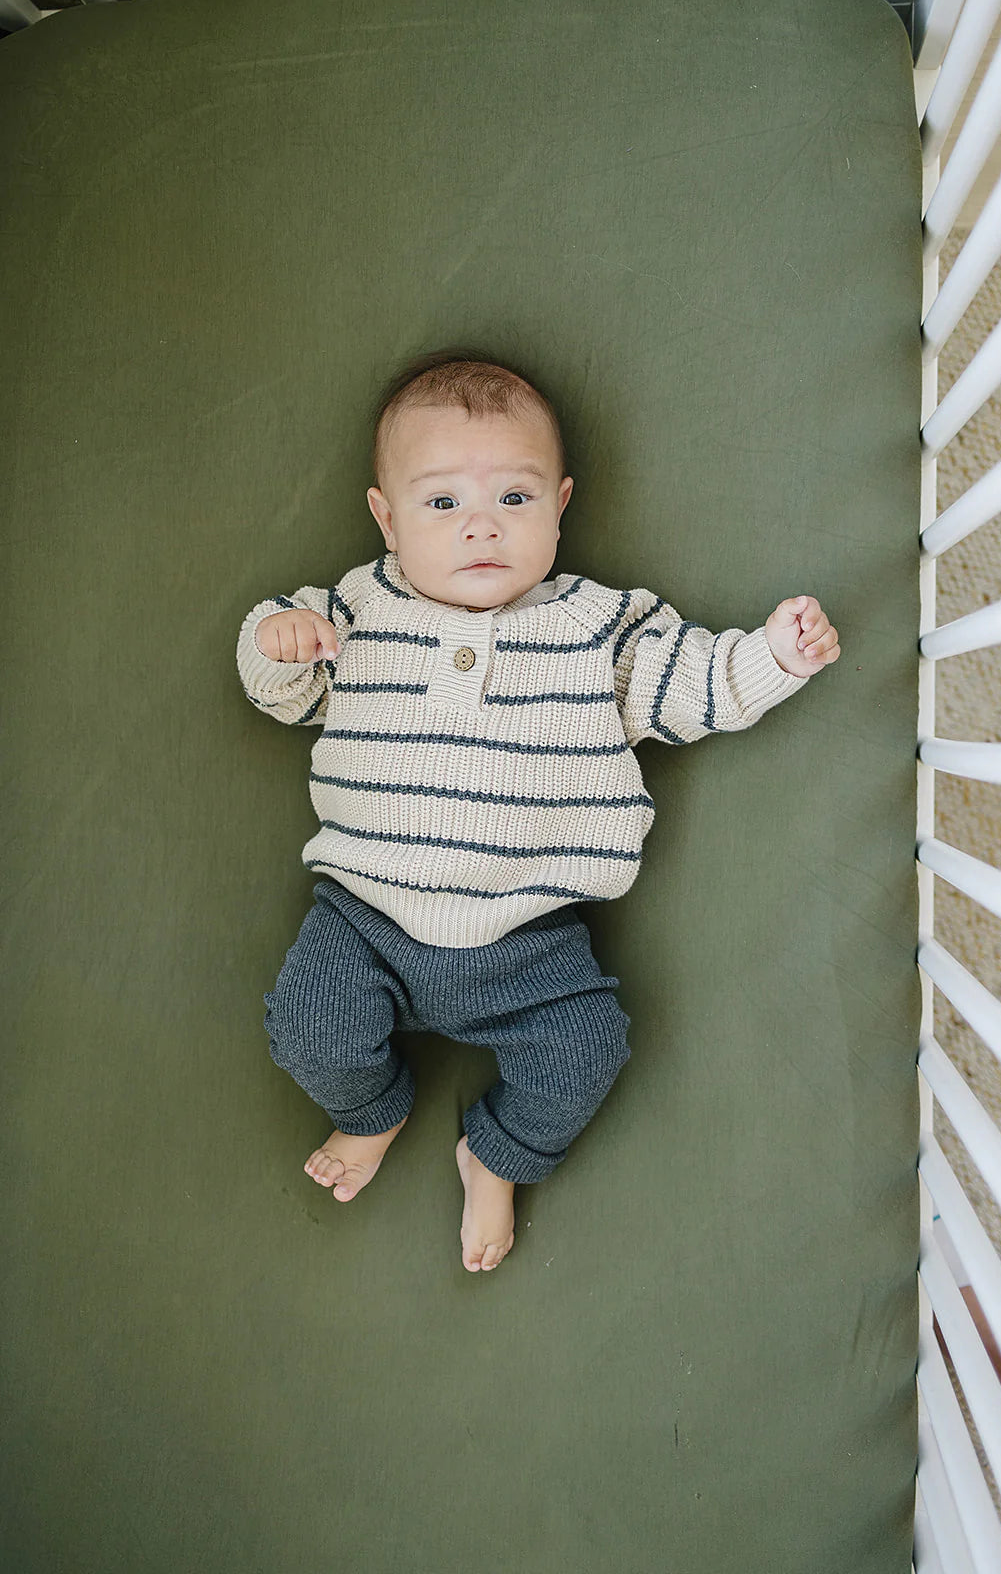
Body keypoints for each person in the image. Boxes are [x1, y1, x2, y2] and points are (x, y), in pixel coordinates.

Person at [235, 348, 841, 1274]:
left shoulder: (597, 628)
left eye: (513, 501)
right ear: (385, 518)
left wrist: (773, 657)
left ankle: (497, 1153)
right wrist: (279, 645)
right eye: (443, 504)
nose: (481, 529)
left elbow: (690, 686)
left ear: (559, 506)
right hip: (364, 918)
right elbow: (279, 690)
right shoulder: (355, 611)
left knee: (589, 1050)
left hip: (532, 938)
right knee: (307, 1027)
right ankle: (373, 1110)